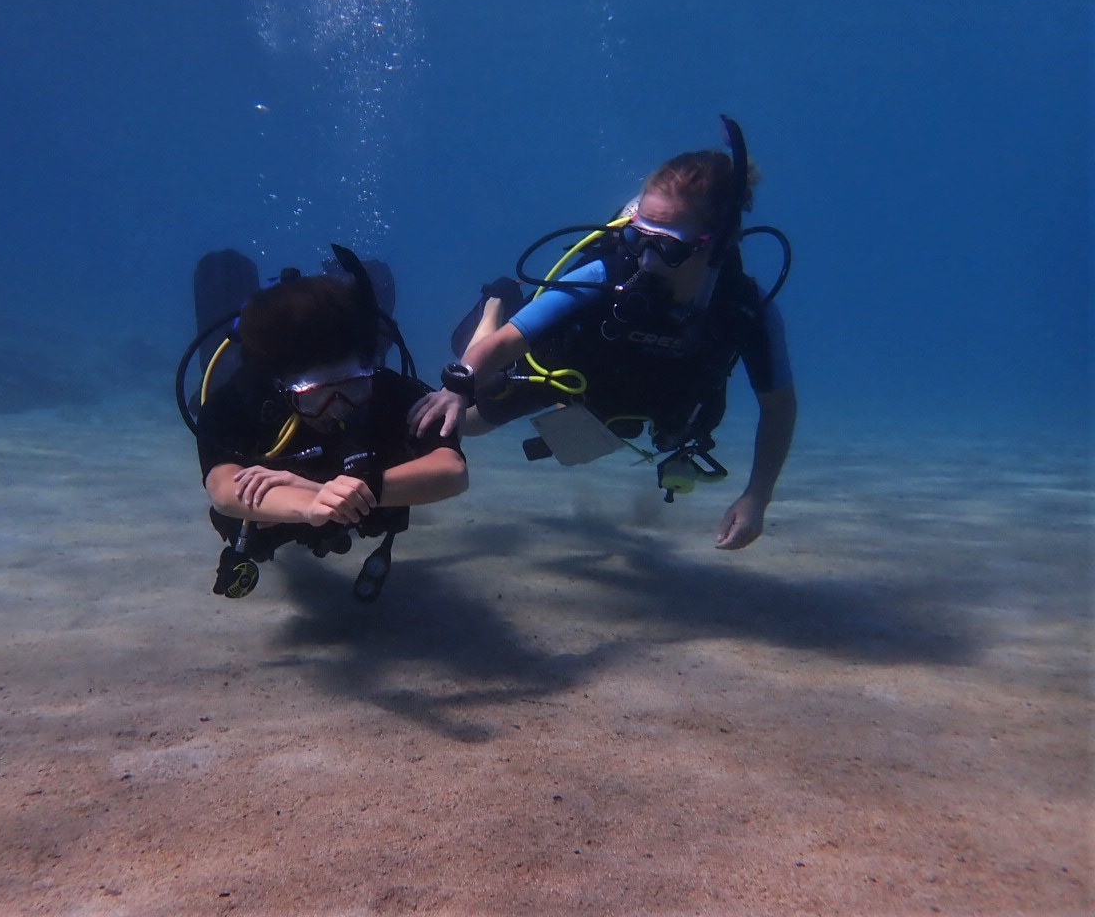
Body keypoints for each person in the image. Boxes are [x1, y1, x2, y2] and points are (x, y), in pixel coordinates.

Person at [408, 116, 795, 551]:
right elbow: (508, 342)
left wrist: (757, 497)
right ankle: (497, 299)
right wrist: (455, 390)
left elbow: (778, 408)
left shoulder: (745, 308)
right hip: (569, 370)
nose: (645, 261)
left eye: (667, 246)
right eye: (637, 238)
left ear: (716, 244)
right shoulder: (609, 271)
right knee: (467, 423)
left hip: (643, 401)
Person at [185, 244, 468, 601]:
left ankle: (359, 287)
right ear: (284, 389)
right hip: (280, 512)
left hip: (357, 493)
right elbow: (224, 493)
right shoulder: (238, 401)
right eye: (318, 395)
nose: (338, 408)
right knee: (220, 368)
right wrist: (313, 504)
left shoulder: (386, 388)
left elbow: (453, 471)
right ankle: (228, 279)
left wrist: (338, 490)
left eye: (353, 388)